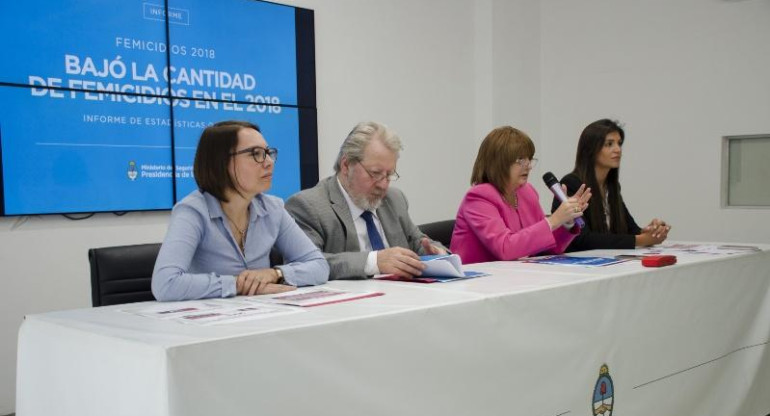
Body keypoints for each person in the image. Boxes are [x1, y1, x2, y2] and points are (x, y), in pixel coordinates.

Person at [152, 120, 329, 301]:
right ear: (221, 161)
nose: (268, 162)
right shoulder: (192, 211)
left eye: (268, 153)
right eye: (256, 154)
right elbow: (165, 284)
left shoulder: (273, 208)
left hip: (262, 316)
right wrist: (239, 285)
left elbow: (319, 266)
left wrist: (275, 273)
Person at [285, 121, 447, 280]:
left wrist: (438, 254)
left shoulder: (395, 199)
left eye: (389, 175)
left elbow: (419, 243)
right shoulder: (308, 206)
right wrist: (374, 262)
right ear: (346, 165)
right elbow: (304, 265)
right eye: (375, 173)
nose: (383, 185)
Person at [450, 126, 591, 264]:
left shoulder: (527, 192)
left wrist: (566, 221)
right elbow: (505, 248)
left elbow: (548, 249)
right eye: (521, 160)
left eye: (529, 159)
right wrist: (554, 220)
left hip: (516, 278)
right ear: (499, 162)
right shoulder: (479, 197)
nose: (528, 166)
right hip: (476, 281)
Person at [551, 119, 670, 251]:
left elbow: (630, 230)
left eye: (619, 144)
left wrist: (652, 231)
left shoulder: (611, 187)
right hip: (580, 266)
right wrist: (641, 239)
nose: (617, 150)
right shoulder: (572, 184)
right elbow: (582, 239)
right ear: (591, 149)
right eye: (609, 144)